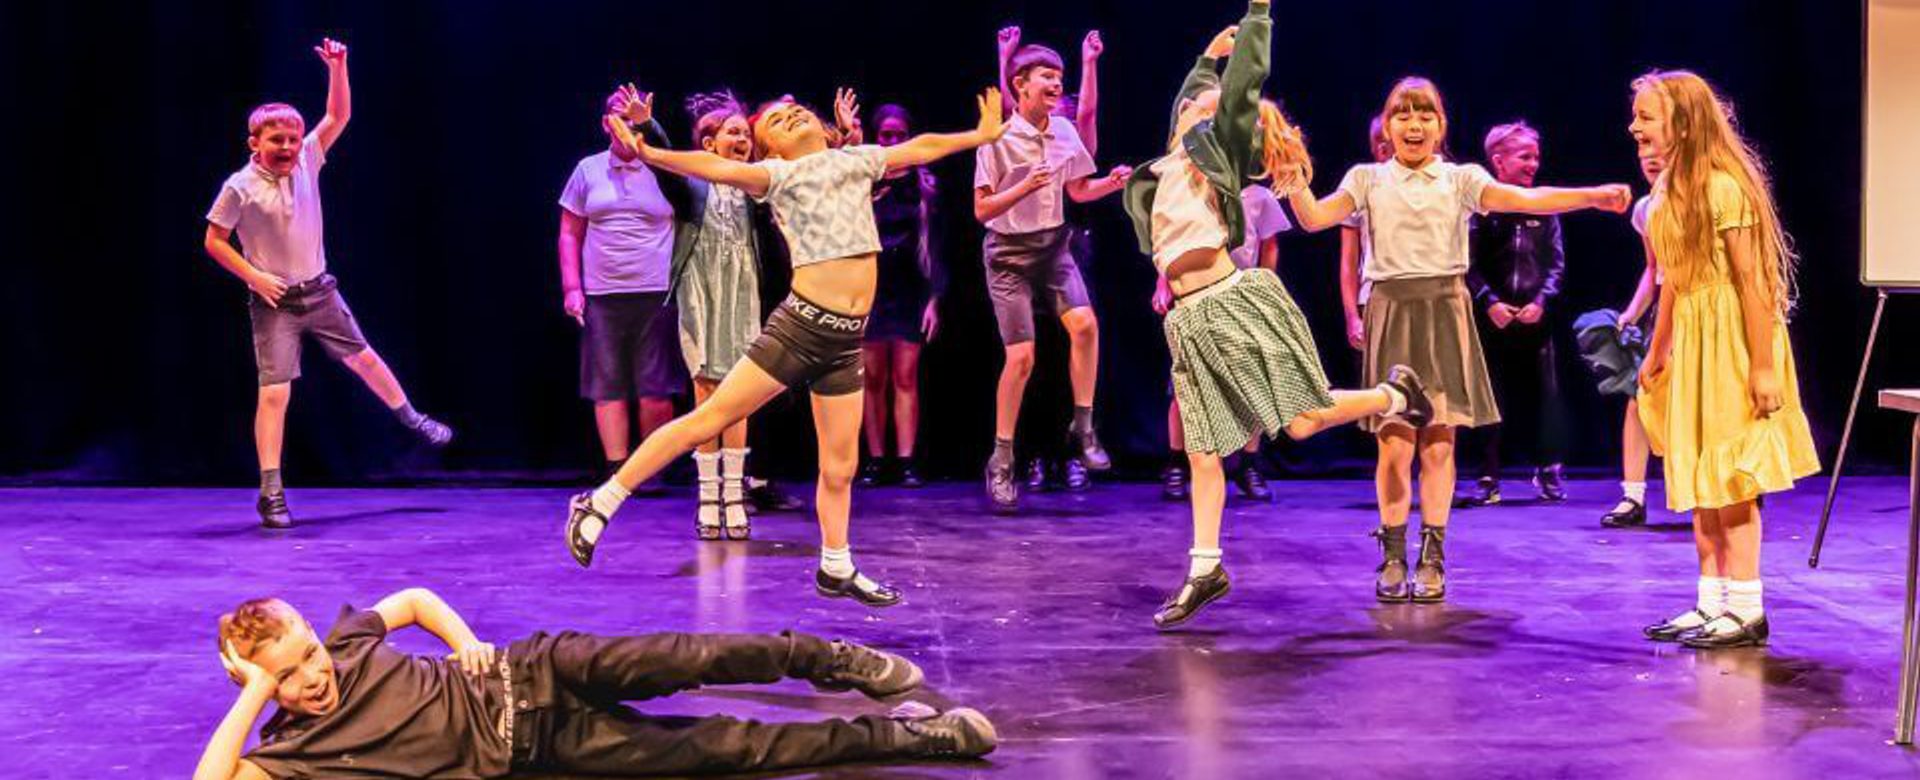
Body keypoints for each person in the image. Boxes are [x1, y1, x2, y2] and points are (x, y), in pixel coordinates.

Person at [565, 87, 1008, 608]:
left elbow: (922, 147)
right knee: (706, 420)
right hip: (800, 329)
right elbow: (713, 170)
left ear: (825, 129)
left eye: (797, 111)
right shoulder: (778, 176)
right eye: (775, 120)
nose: (791, 114)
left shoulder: (857, 160)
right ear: (768, 149)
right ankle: (600, 502)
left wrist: (978, 137)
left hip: (846, 341)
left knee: (840, 467)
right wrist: (650, 152)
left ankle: (836, 565)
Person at [1121, 3, 1432, 628]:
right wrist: (1206, 58)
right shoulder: (1168, 163)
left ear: (1217, 127)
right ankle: (1205, 566)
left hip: (1234, 304)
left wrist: (1256, 16)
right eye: (1188, 106)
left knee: (1302, 421)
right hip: (1187, 321)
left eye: (1203, 109)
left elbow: (1238, 92)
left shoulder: (1216, 157)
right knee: (1203, 452)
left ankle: (1392, 396)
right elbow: (1195, 92)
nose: (1191, 108)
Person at [1287, 76, 1629, 603]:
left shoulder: (1460, 179)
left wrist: (1593, 197)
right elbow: (1312, 218)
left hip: (1445, 311)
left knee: (1439, 444)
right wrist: (1291, 170)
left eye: (1425, 115)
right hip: (1392, 311)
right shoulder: (1367, 179)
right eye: (1403, 115)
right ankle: (1394, 553)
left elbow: (1527, 197)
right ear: (1390, 126)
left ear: (1441, 126)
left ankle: (1433, 554)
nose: (1414, 124)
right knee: (1395, 445)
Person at [191, 588, 994, 779]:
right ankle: (904, 735)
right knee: (730, 749)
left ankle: (828, 657)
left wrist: (465, 639)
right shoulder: (289, 755)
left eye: (308, 654)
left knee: (696, 655)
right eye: (289, 674)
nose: (312, 673)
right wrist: (256, 691)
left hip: (535, 667)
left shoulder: (348, 642)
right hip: (542, 743)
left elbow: (413, 602)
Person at [201, 39, 451, 530]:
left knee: (365, 357)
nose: (288, 149)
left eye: (293, 141)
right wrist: (253, 275)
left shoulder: (309, 160)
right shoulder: (238, 186)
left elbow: (337, 116)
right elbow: (213, 240)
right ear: (255, 142)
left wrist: (339, 67)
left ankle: (410, 418)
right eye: (277, 141)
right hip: (273, 301)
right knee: (274, 394)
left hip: (319, 290)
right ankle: (271, 491)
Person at [1630, 70, 1819, 648]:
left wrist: (1763, 366)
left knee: (1732, 476)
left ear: (1683, 124)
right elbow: (1671, 284)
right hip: (1692, 342)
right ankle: (1711, 599)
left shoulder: (1722, 188)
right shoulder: (1667, 198)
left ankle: (1747, 605)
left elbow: (1754, 281)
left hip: (1734, 342)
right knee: (1697, 471)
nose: (1633, 126)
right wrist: (1657, 350)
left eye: (1646, 116)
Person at [975, 37, 1133, 512]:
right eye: (1045, 75)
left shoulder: (1063, 131)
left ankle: (1083, 426)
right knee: (1021, 358)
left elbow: (1079, 190)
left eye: (1058, 74)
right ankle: (1001, 457)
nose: (1055, 81)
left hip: (1053, 247)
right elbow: (982, 209)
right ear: (1019, 86)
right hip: (1007, 253)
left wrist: (1110, 183)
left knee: (1085, 325)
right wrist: (1023, 186)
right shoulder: (998, 139)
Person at [1457, 121, 1572, 506]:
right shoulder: (1482, 210)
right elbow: (1466, 263)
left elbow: (1556, 263)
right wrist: (1488, 301)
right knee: (1491, 398)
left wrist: (1541, 300)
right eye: (1525, 156)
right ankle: (1488, 474)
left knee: (1546, 395)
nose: (1533, 164)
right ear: (1498, 161)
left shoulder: (1545, 207)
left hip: (1535, 319)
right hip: (1493, 319)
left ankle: (1548, 468)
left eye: (1536, 156)